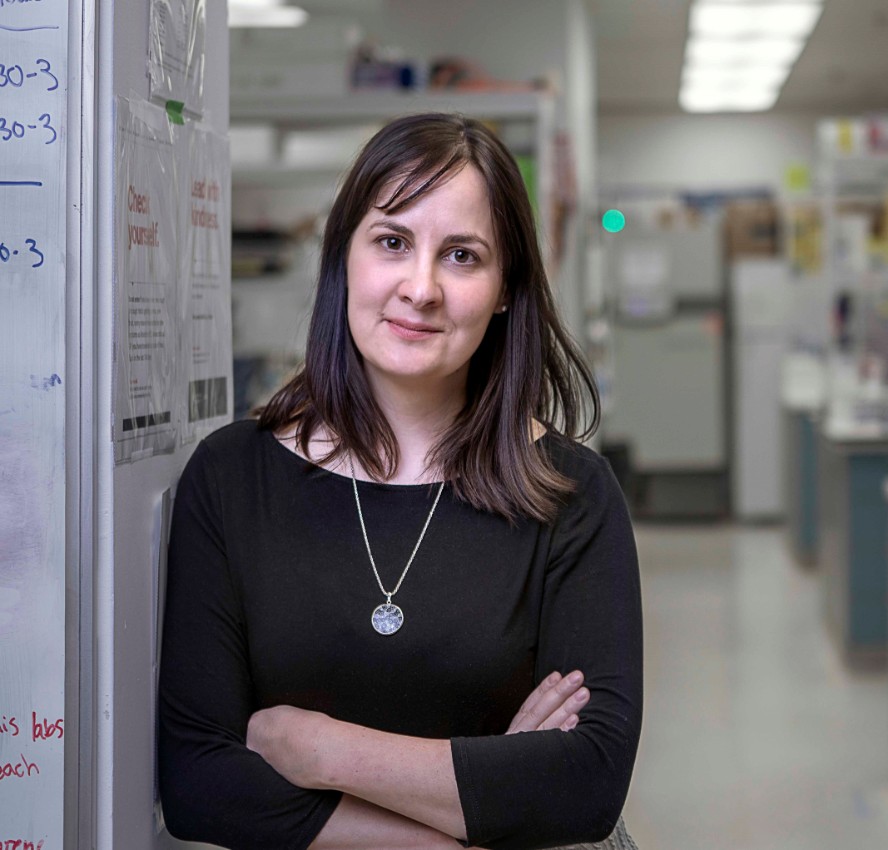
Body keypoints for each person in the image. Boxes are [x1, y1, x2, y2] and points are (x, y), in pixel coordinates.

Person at [157, 113, 643, 850]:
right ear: (343, 257)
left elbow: (585, 785)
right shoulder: (229, 479)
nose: (421, 288)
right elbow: (197, 782)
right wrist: (479, 810)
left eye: (462, 256)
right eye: (391, 242)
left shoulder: (571, 494)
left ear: (506, 286)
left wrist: (318, 750)